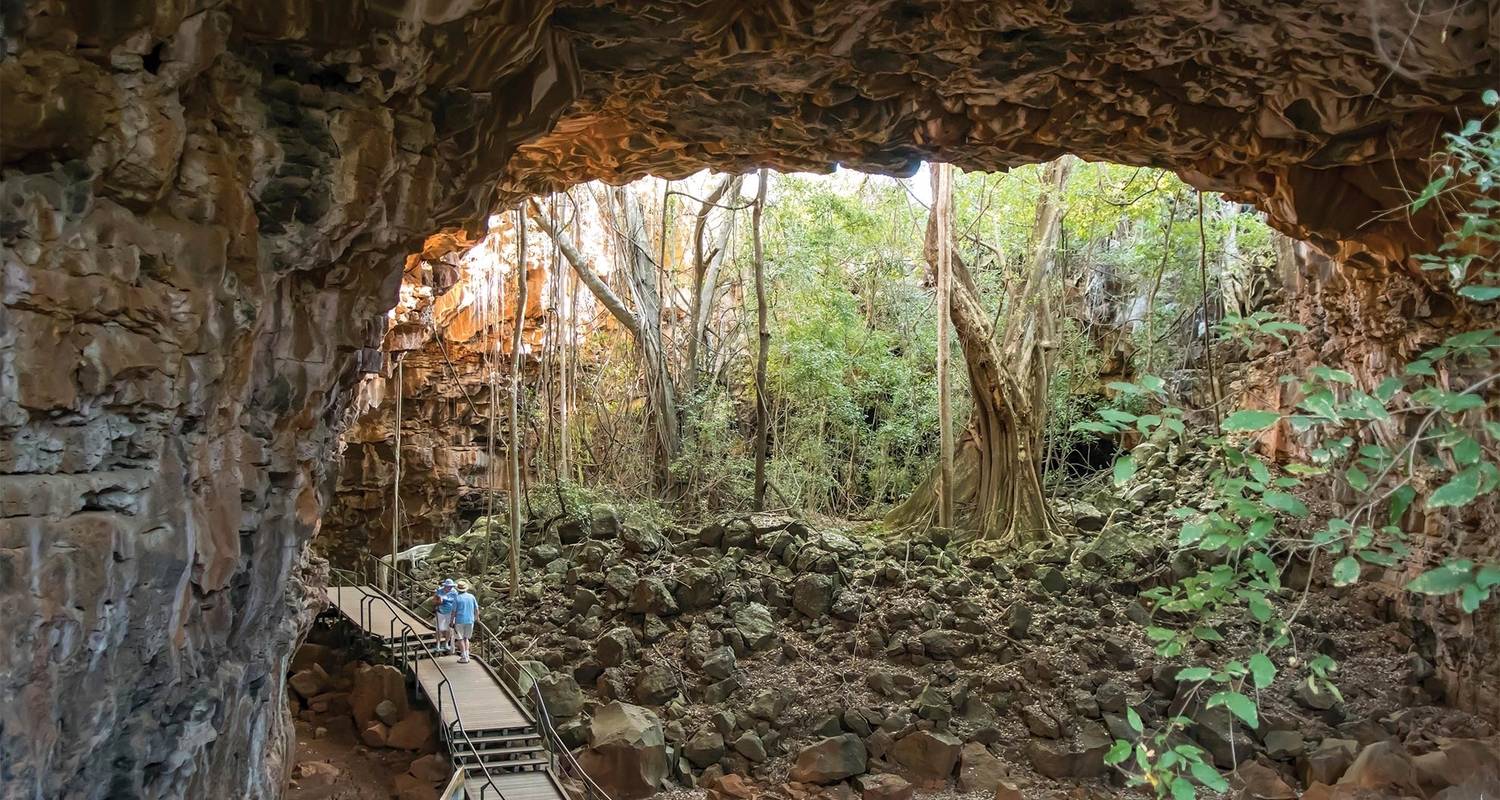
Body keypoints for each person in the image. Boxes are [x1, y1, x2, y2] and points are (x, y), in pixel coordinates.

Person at [452, 579, 478, 663]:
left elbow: (454, 612)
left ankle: (464, 656)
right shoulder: (471, 597)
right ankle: (467, 655)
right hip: (470, 620)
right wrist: (476, 617)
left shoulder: (457, 598)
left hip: (460, 620)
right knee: (466, 638)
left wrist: (451, 621)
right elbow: (476, 609)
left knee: (460, 639)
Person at [433, 578, 457, 655]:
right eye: (448, 586)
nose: (449, 588)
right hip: (440, 611)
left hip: (450, 612)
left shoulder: (454, 592)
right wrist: (438, 601)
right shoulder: (439, 590)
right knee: (439, 628)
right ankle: (438, 645)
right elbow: (435, 599)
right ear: (445, 586)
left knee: (449, 628)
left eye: (450, 586)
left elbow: (456, 601)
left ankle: (446, 643)